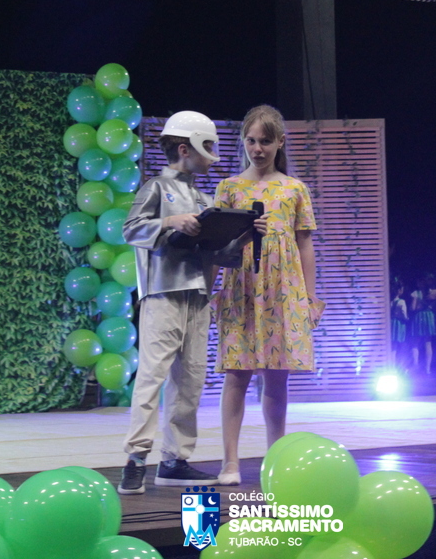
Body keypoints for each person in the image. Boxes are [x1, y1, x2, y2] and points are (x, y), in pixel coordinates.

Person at [118, 110, 242, 494]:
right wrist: (171, 222)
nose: (212, 156)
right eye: (207, 147)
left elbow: (222, 254)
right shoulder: (156, 187)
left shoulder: (206, 198)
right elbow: (130, 230)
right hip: (162, 294)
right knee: (152, 376)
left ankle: (175, 460)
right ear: (186, 148)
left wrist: (245, 234)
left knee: (190, 380)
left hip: (198, 297)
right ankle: (136, 459)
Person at [213, 104, 321, 486]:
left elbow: (304, 244)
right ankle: (229, 462)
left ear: (280, 143)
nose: (257, 149)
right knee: (237, 374)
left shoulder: (294, 188)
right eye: (251, 141)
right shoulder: (229, 188)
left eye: (265, 141)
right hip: (241, 287)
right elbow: (215, 243)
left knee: (277, 377)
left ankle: (276, 461)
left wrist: (309, 298)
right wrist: (212, 288)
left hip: (282, 290)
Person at [409, 273, 436, 374]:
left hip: (419, 317)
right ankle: (427, 368)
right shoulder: (431, 292)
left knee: (415, 342)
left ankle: (415, 366)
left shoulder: (415, 293)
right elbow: (435, 306)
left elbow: (413, 308)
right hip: (429, 316)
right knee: (428, 342)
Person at [391, 279, 410, 370]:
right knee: (402, 345)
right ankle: (402, 366)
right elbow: (404, 314)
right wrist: (407, 319)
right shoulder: (402, 301)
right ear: (400, 290)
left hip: (392, 323)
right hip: (400, 324)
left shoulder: (390, 302)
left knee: (393, 347)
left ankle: (392, 366)